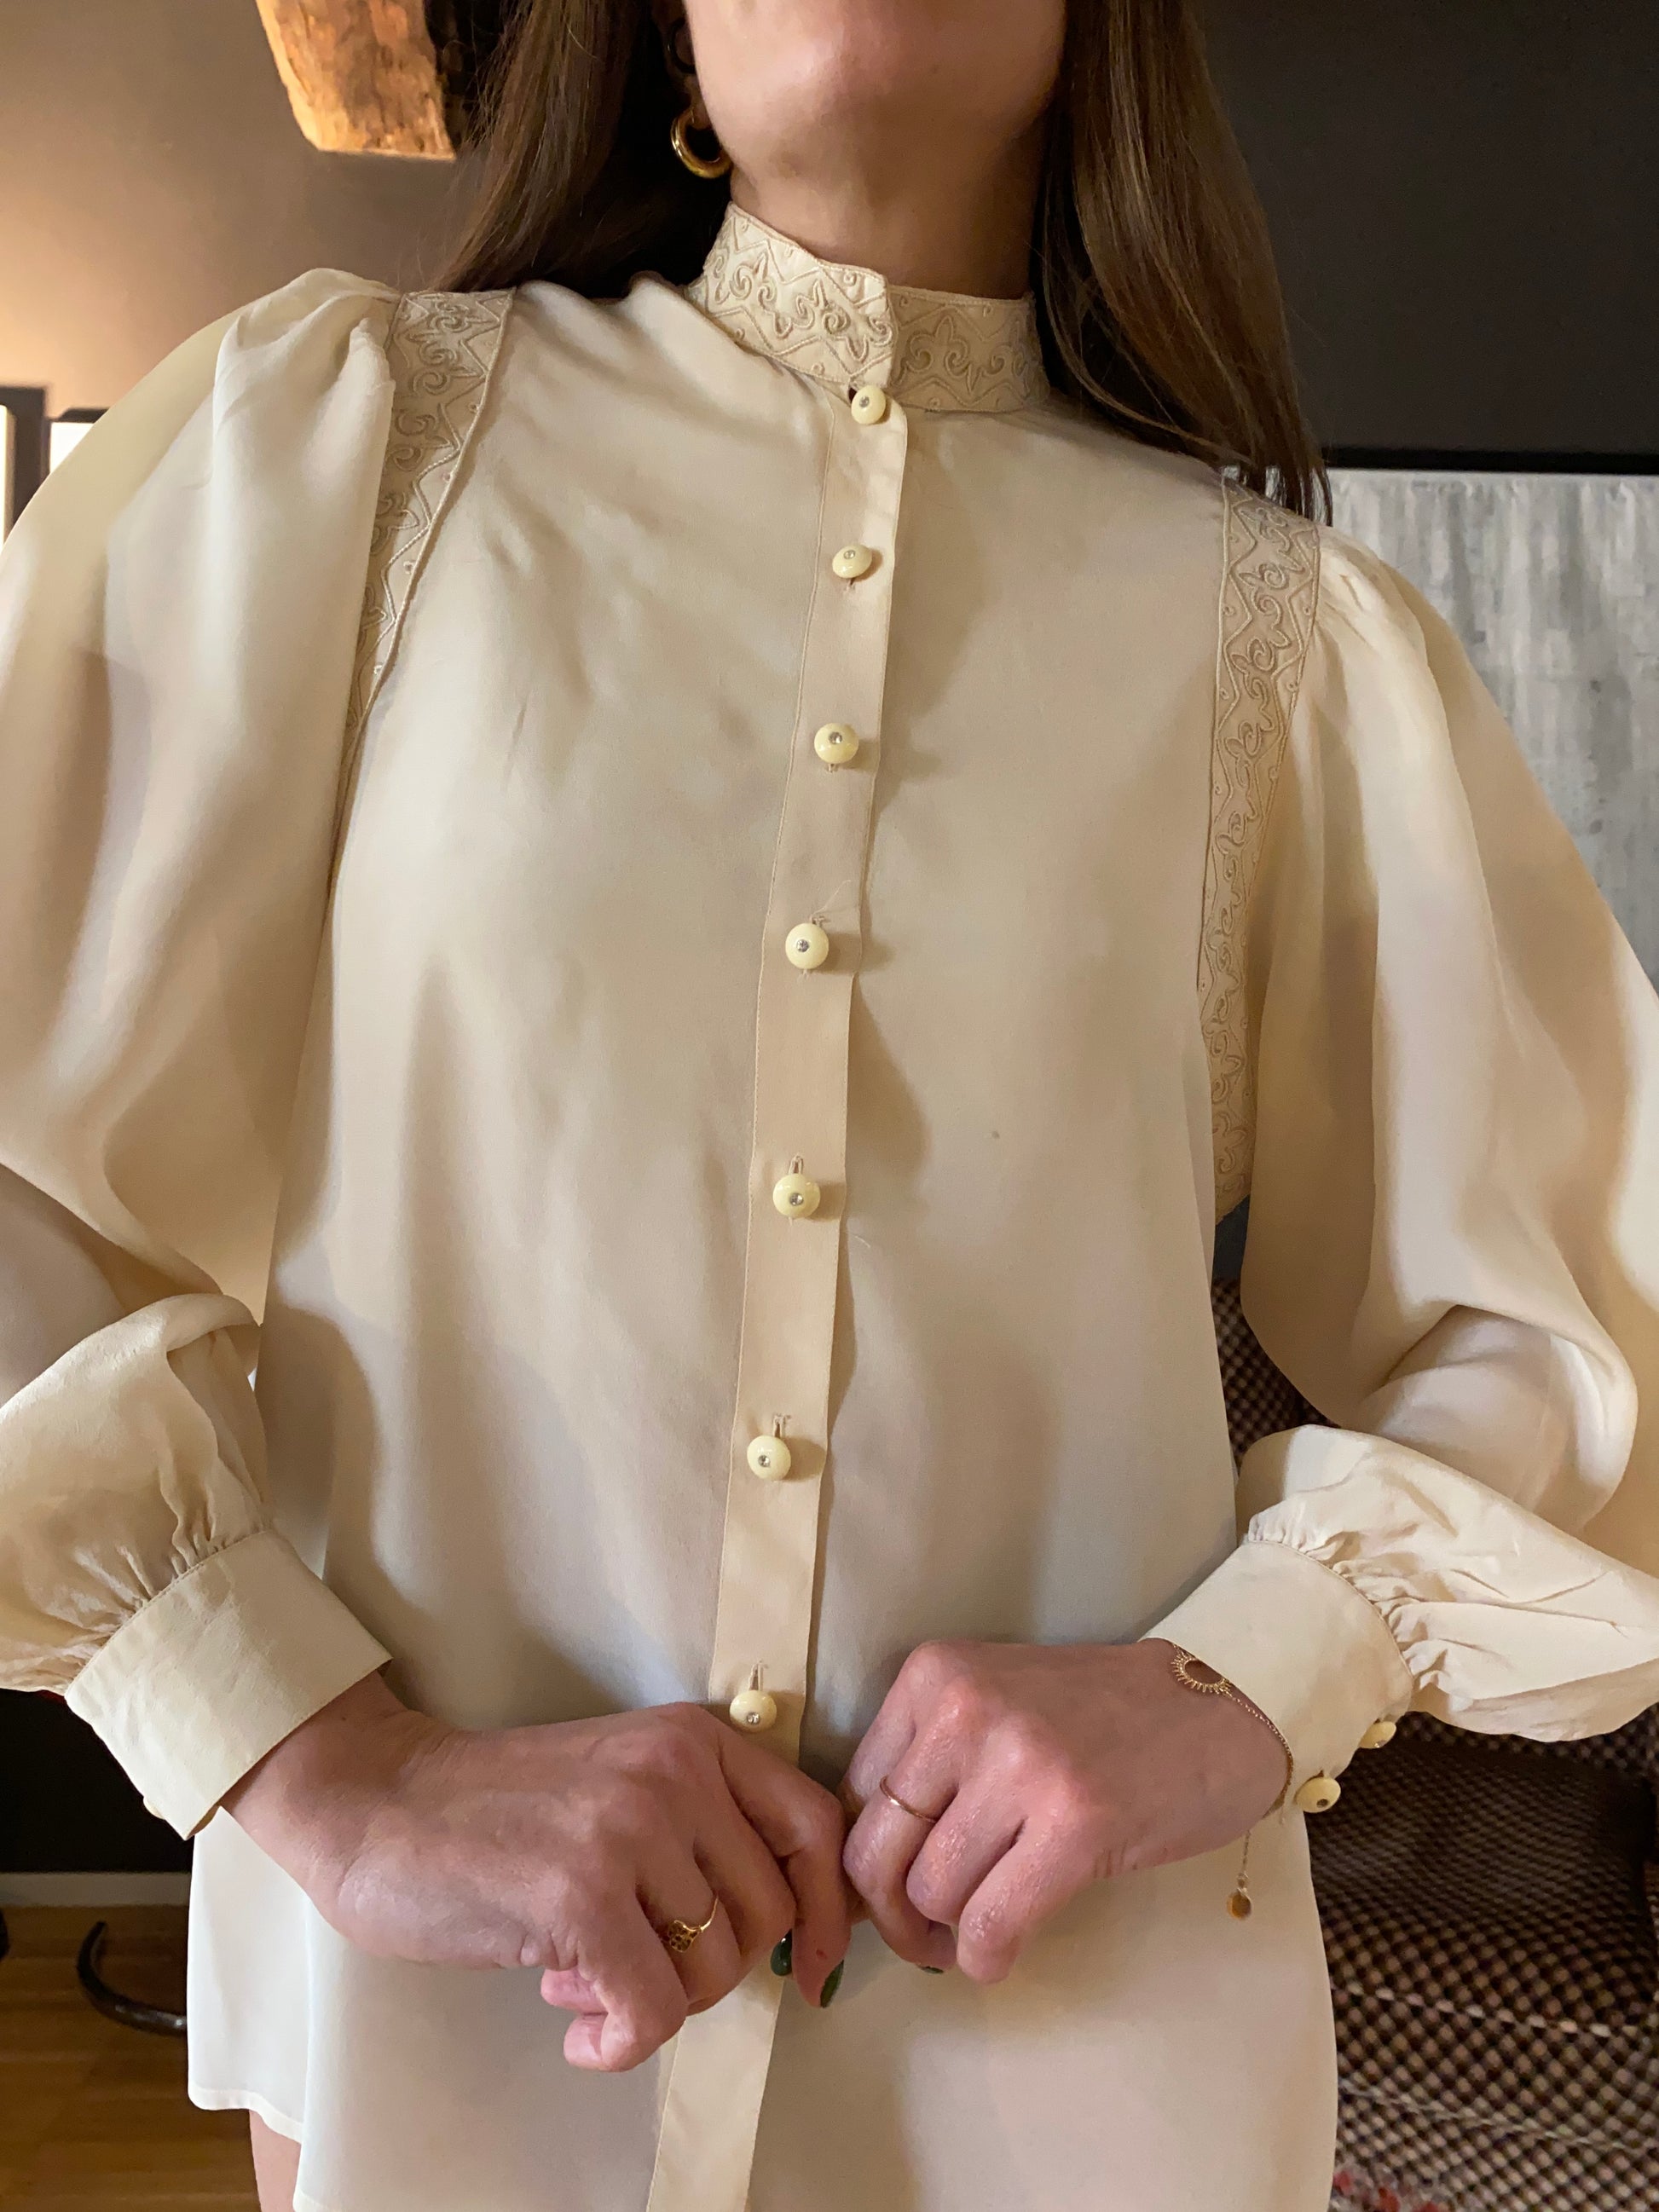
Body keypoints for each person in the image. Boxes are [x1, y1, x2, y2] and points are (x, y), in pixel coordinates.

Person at [4, 2, 1659, 2207]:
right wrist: (321, 1757)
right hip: (458, 2038)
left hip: (1075, 2037)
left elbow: (1573, 1328)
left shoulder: (1289, 646)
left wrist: (1240, 1680)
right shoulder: (354, 453)